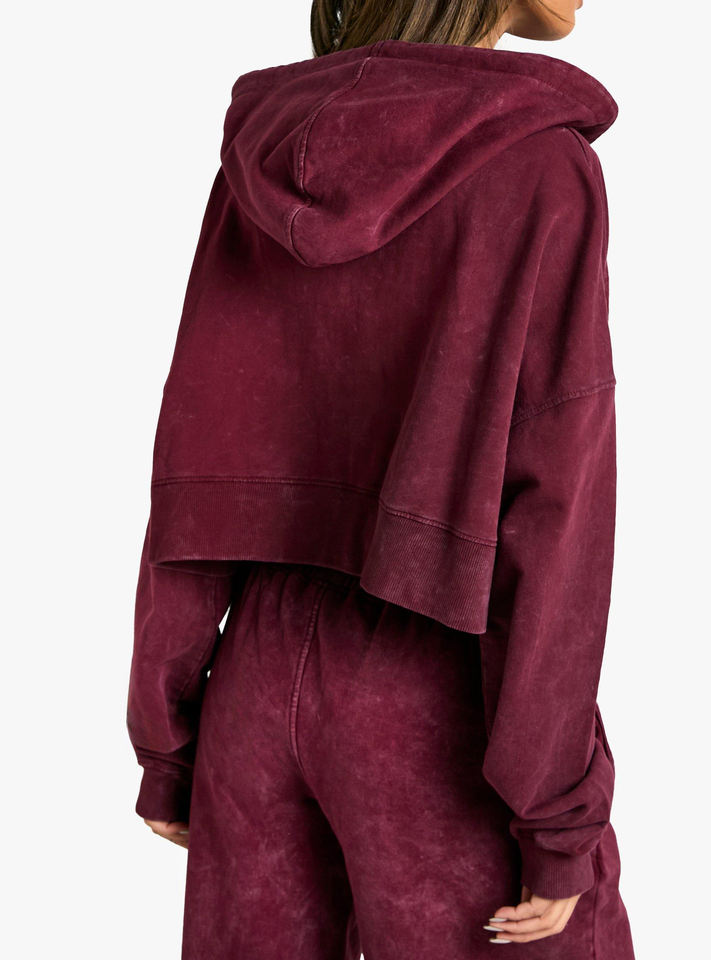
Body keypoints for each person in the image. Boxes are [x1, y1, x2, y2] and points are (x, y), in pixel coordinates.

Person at [126, 2, 636, 957]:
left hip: (251, 680)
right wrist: (556, 815)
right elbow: (555, 502)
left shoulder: (258, 165)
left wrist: (169, 732)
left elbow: (196, 459)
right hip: (439, 696)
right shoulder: (537, 167)